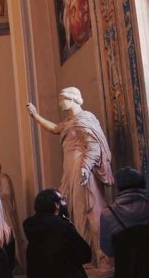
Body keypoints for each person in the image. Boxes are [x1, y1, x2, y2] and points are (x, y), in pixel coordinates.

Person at [26, 89, 113, 265]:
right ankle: (84, 255)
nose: (60, 103)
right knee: (72, 208)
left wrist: (86, 167)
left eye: (62, 99)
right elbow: (55, 128)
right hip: (70, 169)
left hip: (81, 169)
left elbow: (94, 146)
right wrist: (36, 116)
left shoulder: (85, 118)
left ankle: (98, 256)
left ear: (72, 99)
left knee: (85, 208)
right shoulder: (68, 122)